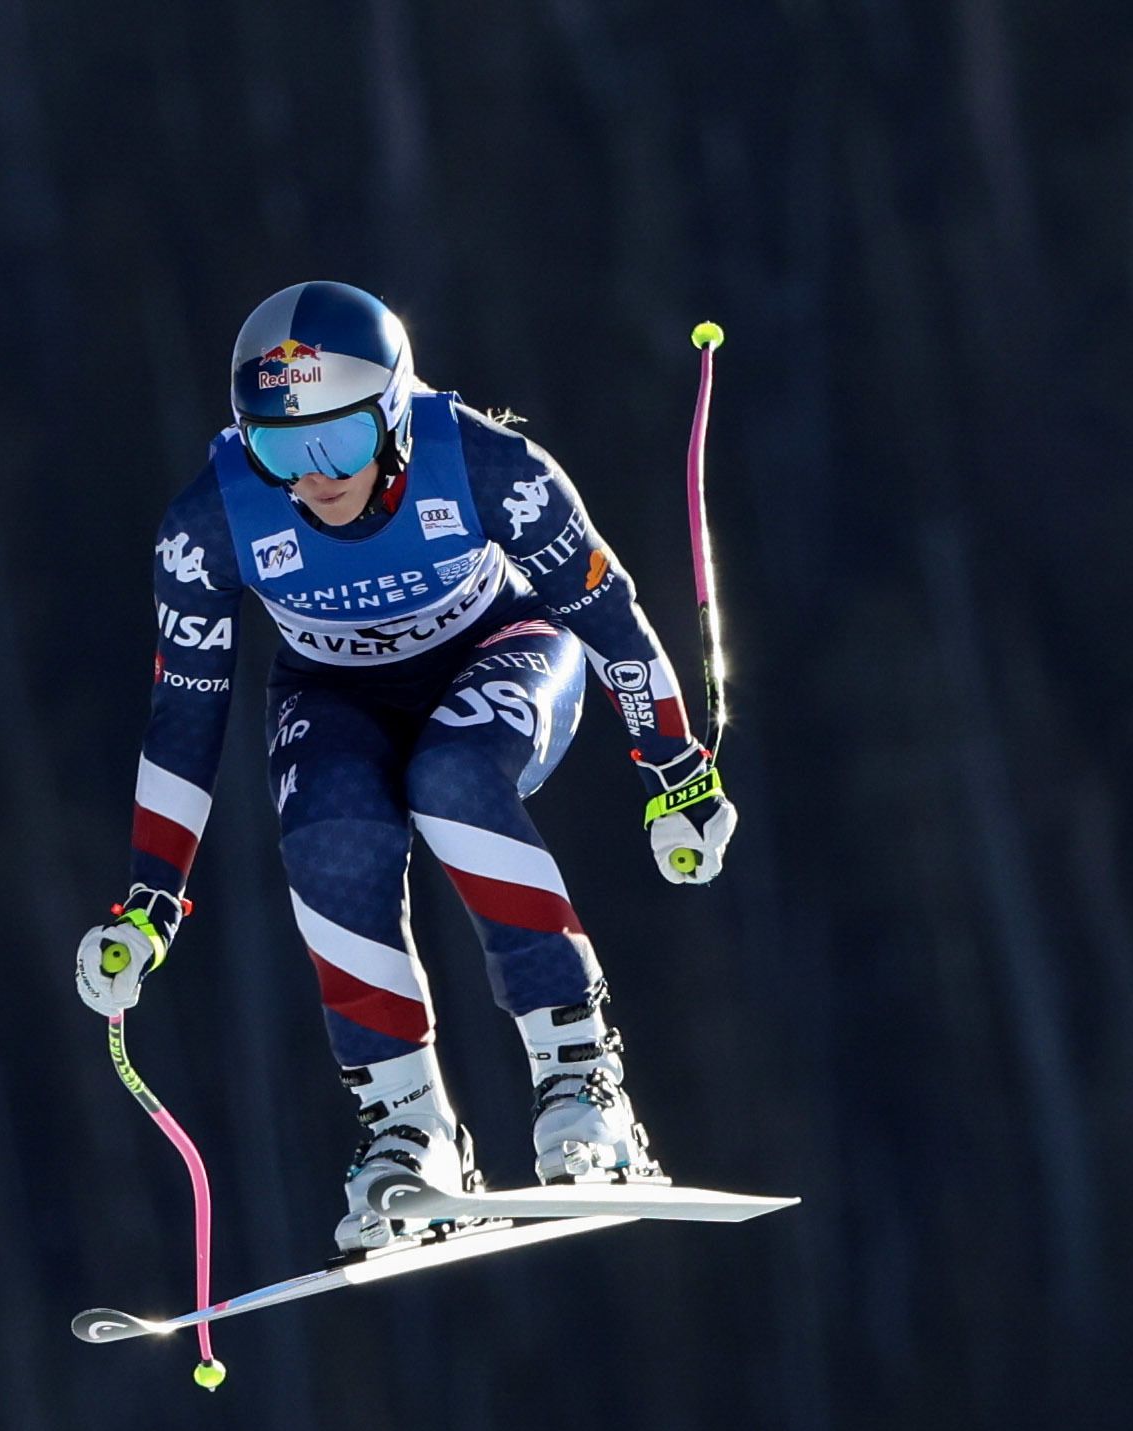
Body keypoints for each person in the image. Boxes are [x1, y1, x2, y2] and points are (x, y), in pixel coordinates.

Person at [72, 280, 738, 1253]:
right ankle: (405, 1129)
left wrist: (674, 769)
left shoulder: (484, 463)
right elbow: (186, 711)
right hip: (335, 690)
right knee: (328, 830)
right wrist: (149, 899)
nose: (311, 480)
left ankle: (581, 1088)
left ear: (391, 415)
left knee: (455, 776)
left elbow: (607, 618)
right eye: (277, 449)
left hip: (502, 645)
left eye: (335, 444)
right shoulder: (210, 523)